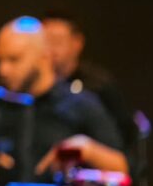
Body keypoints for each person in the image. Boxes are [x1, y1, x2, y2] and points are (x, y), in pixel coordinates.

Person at [0, 17, 127, 186]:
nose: (3, 70)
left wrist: (87, 149)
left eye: (13, 59)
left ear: (44, 55)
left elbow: (122, 171)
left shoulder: (81, 104)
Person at [41, 10, 136, 152]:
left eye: (57, 41)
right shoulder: (32, 91)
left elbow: (124, 140)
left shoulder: (98, 86)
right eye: (45, 41)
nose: (51, 49)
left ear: (77, 42)